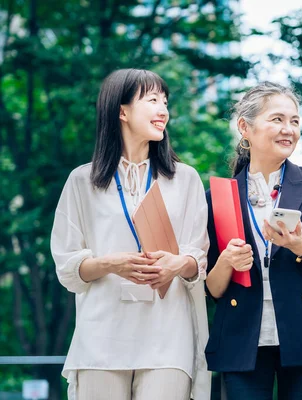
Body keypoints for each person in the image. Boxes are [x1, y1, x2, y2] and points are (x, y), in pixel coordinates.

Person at [51, 68, 210, 400]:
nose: (163, 109)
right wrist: (109, 264)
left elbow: (200, 259)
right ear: (121, 111)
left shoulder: (186, 179)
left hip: (168, 336)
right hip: (101, 336)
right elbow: (67, 268)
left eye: (165, 101)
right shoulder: (82, 181)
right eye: (152, 100)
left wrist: (178, 264)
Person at [204, 82, 302, 400]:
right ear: (245, 127)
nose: (289, 129)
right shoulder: (219, 198)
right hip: (240, 338)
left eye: (295, 121)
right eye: (277, 119)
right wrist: (227, 263)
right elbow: (212, 289)